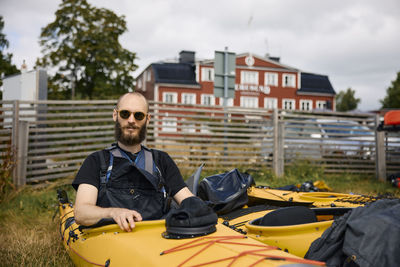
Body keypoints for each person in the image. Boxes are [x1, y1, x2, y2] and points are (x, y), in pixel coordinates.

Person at [72, 92, 194, 232]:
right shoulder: (96, 161)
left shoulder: (162, 161)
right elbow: (81, 213)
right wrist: (113, 213)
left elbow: (188, 200)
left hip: (156, 239)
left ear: (147, 119)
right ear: (115, 115)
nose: (131, 120)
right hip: (111, 240)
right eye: (125, 114)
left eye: (138, 115)